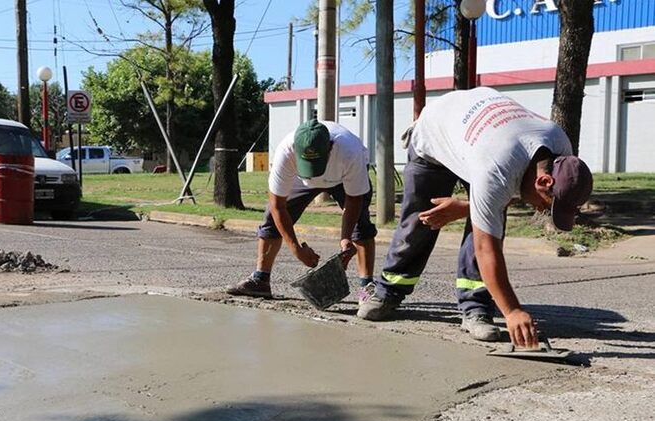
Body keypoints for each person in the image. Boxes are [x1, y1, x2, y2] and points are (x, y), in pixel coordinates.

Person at [357, 87, 593, 349]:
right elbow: (486, 248)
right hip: (435, 137)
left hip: (480, 138)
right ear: (544, 181)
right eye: (546, 205)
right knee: (420, 221)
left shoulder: (562, 149)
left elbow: (508, 194)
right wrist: (512, 311)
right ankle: (388, 291)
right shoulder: (497, 166)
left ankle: (476, 307)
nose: (541, 211)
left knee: (488, 219)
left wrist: (466, 207)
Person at [227, 119, 377, 303]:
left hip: (342, 177)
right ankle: (260, 280)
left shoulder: (350, 151)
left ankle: (366, 289)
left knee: (361, 224)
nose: (315, 173)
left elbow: (354, 199)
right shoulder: (285, 151)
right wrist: (296, 249)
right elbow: (278, 206)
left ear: (330, 147)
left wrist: (345, 238)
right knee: (271, 219)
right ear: (296, 151)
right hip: (301, 180)